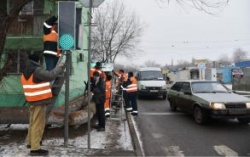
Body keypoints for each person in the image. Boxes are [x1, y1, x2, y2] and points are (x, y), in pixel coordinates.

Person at [21, 53, 64, 156]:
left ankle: (31, 142)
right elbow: (51, 76)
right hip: (39, 101)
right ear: (38, 61)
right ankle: (35, 148)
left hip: (32, 100)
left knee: (33, 122)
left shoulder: (26, 71)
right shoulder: (36, 70)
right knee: (38, 124)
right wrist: (60, 67)